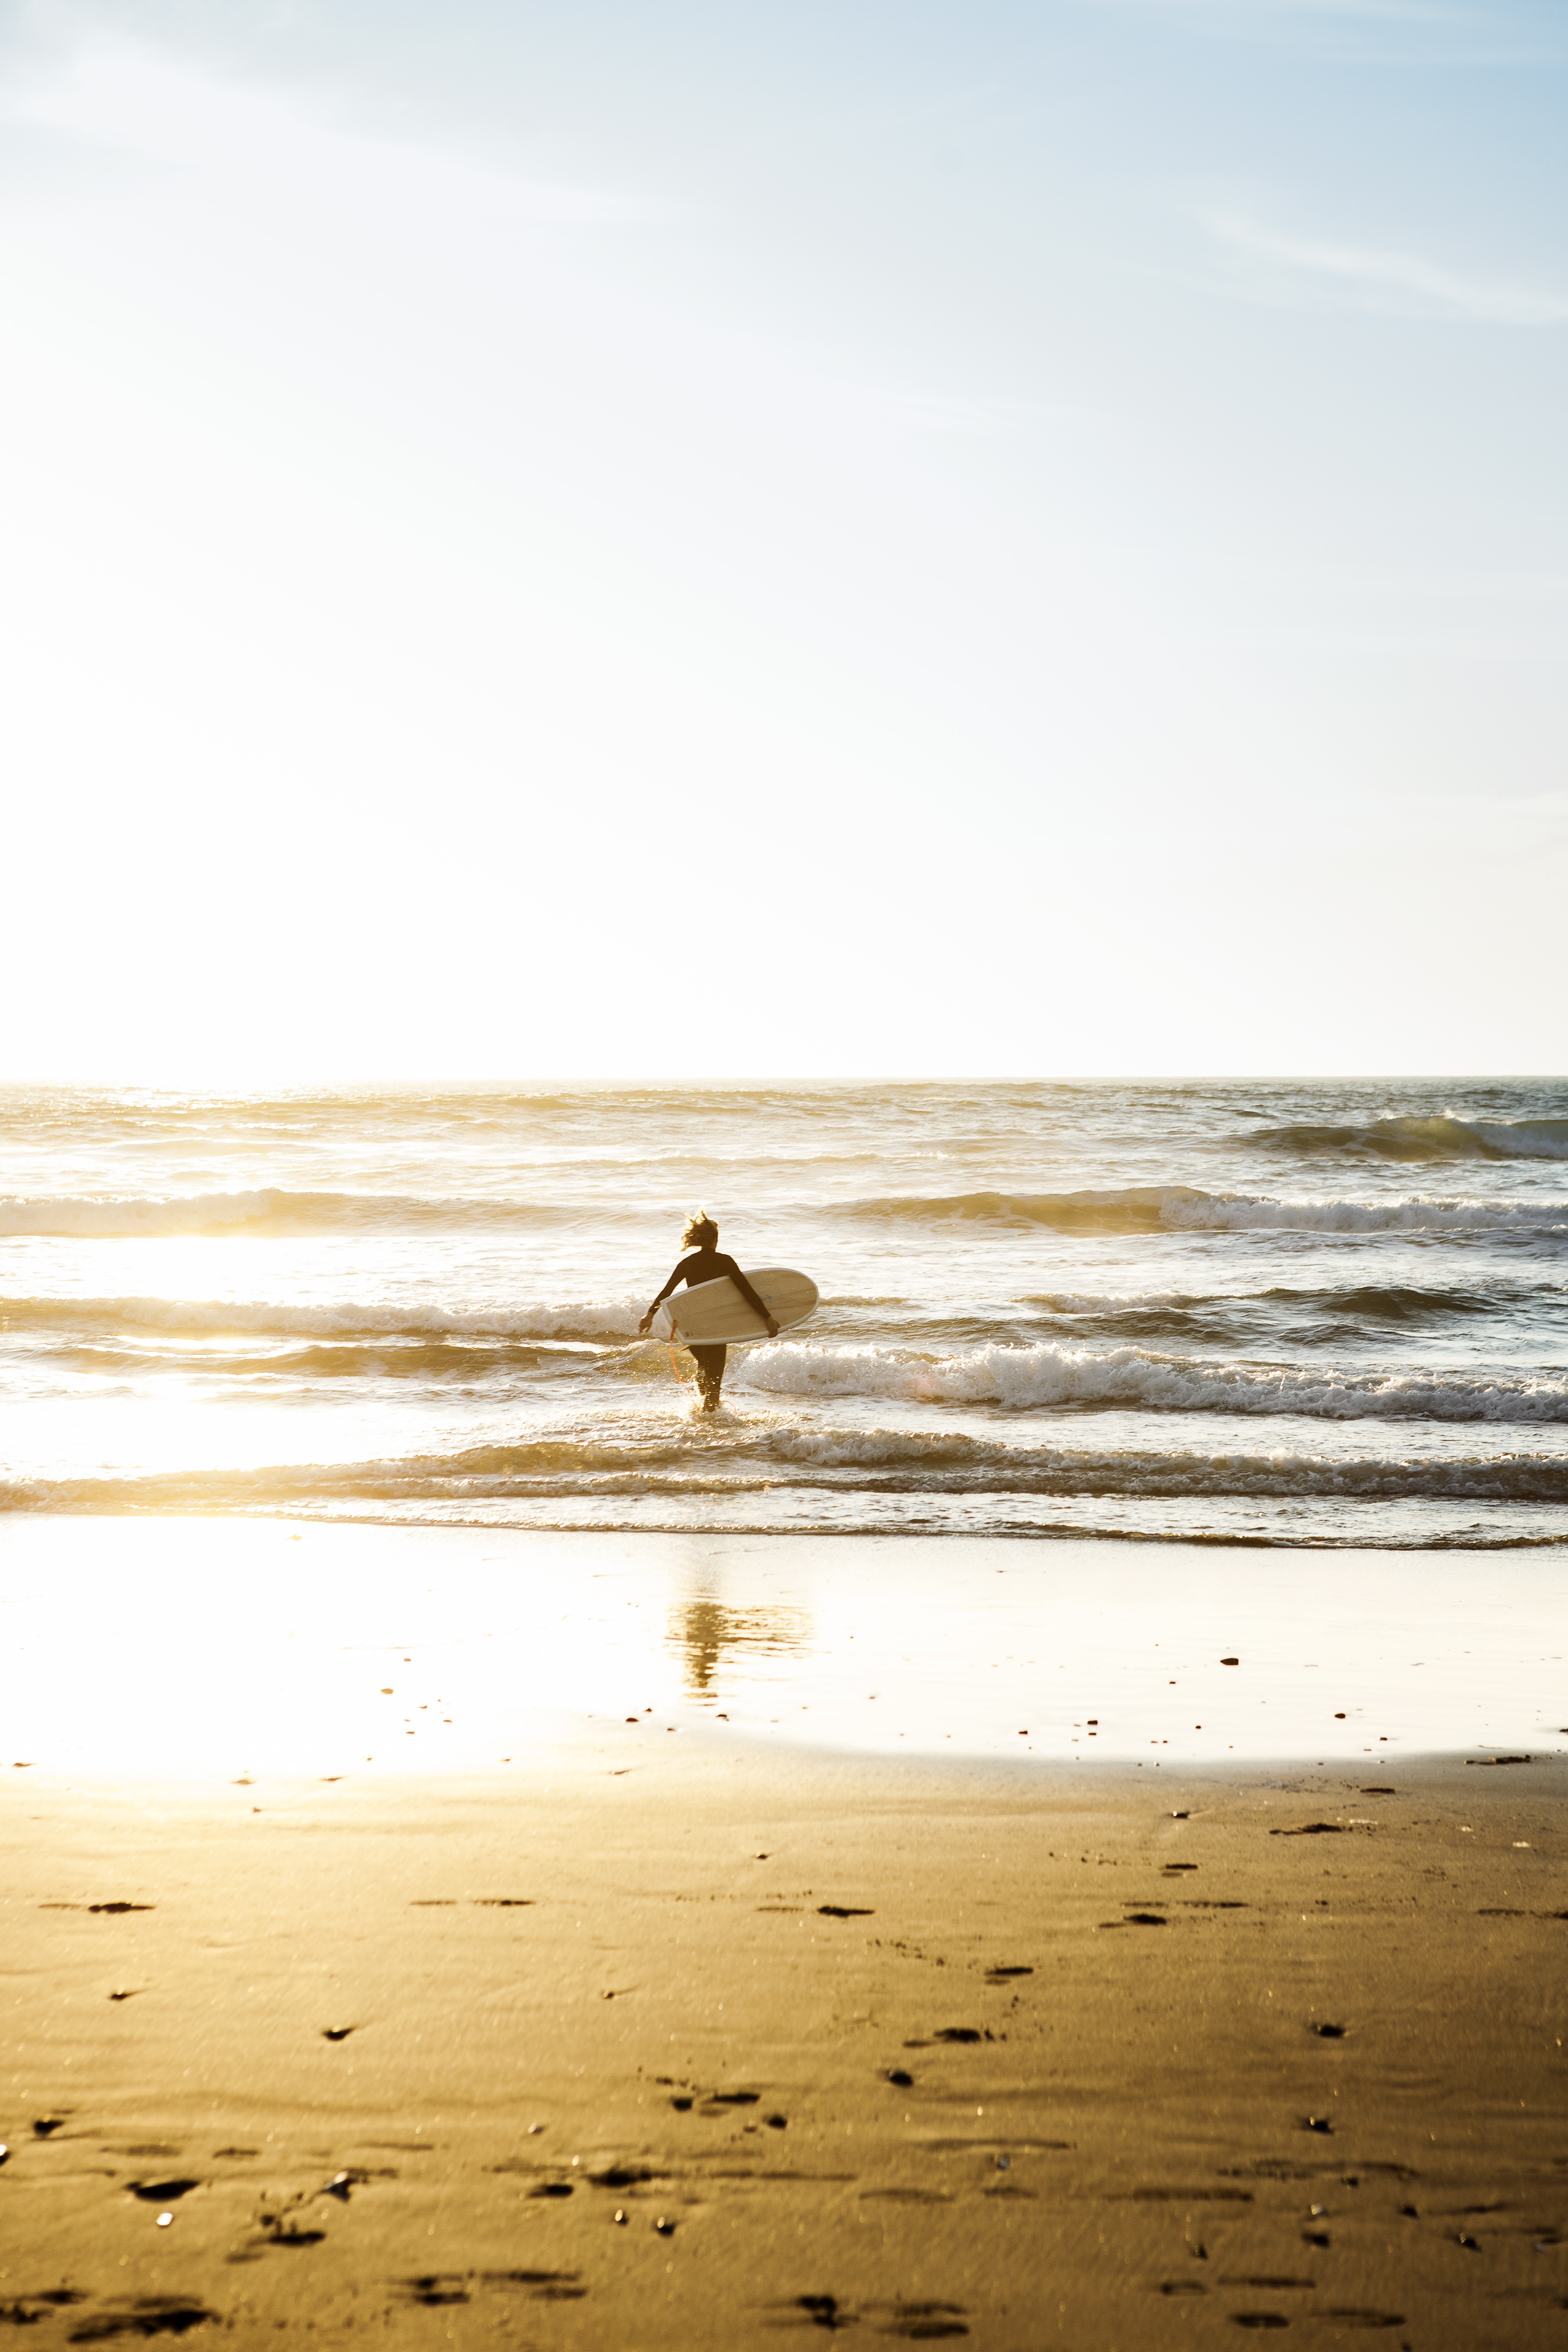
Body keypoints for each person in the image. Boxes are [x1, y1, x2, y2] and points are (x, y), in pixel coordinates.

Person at [639, 1213, 778, 1412]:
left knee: (705, 1366)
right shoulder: (725, 1261)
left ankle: (703, 1411)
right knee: (715, 1379)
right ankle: (711, 1422)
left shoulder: (687, 1263)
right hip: (717, 1325)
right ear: (715, 1239)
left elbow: (667, 1292)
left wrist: (650, 1315)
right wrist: (767, 1317)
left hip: (692, 1326)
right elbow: (746, 1291)